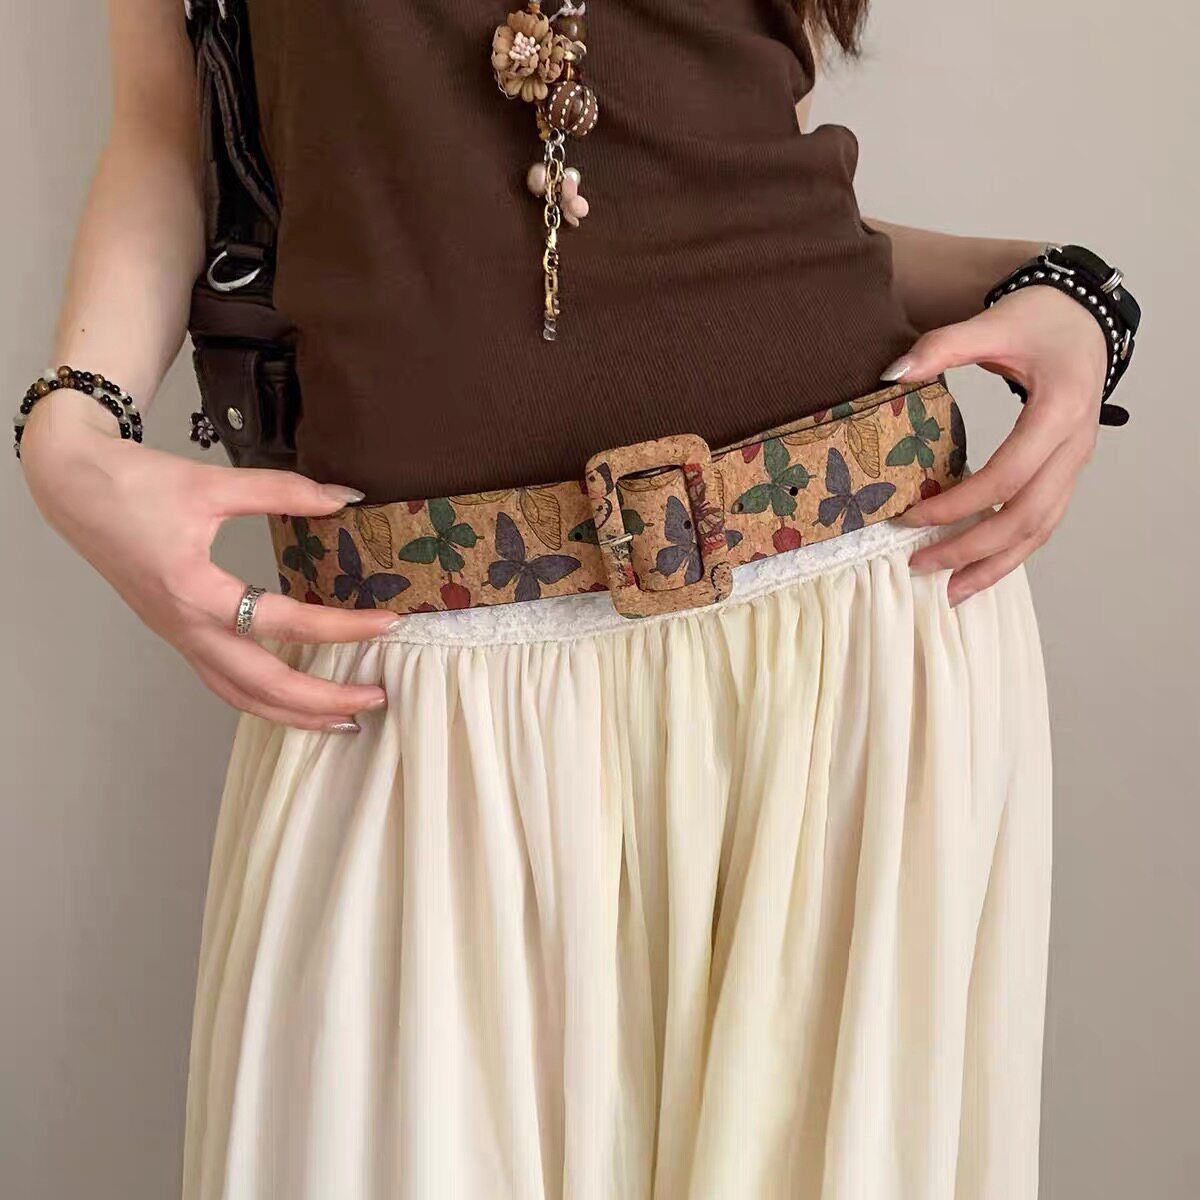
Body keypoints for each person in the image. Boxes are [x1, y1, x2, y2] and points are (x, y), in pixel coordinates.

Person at [15, 1, 1140, 1196]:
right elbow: (168, 128)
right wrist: (69, 430)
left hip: (850, 621)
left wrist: (1068, 290)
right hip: (418, 658)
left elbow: (726, 160)